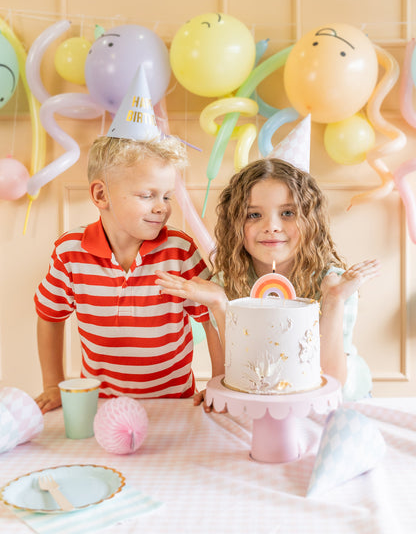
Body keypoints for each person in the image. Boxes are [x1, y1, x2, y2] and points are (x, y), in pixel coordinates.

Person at [156, 158, 380, 403]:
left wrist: (333, 300)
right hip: (265, 404)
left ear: (310, 221)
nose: (272, 226)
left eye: (287, 213)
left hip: (343, 402)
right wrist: (220, 305)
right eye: (254, 214)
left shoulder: (334, 284)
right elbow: (228, 377)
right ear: (235, 225)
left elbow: (332, 382)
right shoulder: (223, 285)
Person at [35, 135, 224, 414]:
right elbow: (50, 316)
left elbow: (212, 319)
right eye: (147, 195)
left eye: (167, 196)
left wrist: (220, 384)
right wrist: (53, 384)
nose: (162, 207)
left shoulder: (179, 250)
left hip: (175, 405)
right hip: (101, 407)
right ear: (101, 195)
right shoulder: (70, 253)